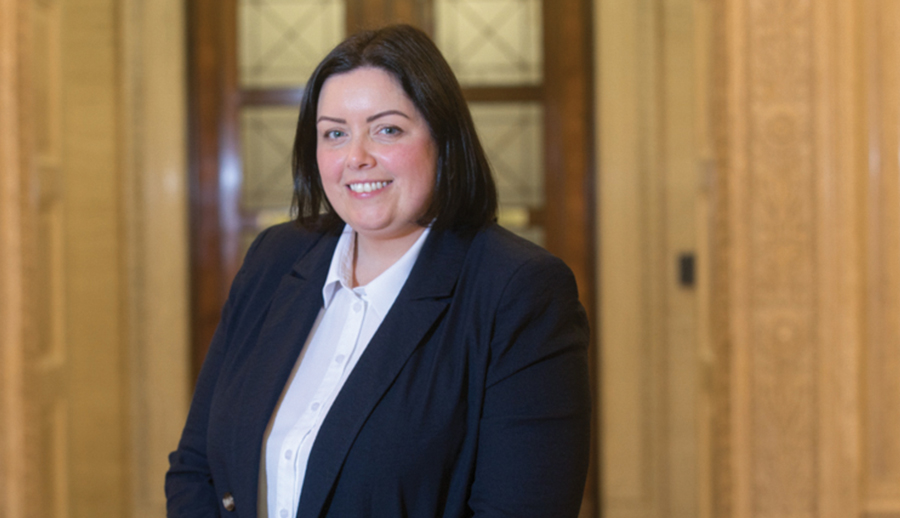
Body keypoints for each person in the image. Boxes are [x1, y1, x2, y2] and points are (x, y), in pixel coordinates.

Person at [166, 24, 591, 518]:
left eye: (387, 129)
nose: (356, 158)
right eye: (335, 133)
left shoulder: (520, 292)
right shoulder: (274, 258)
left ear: (443, 138)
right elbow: (197, 467)